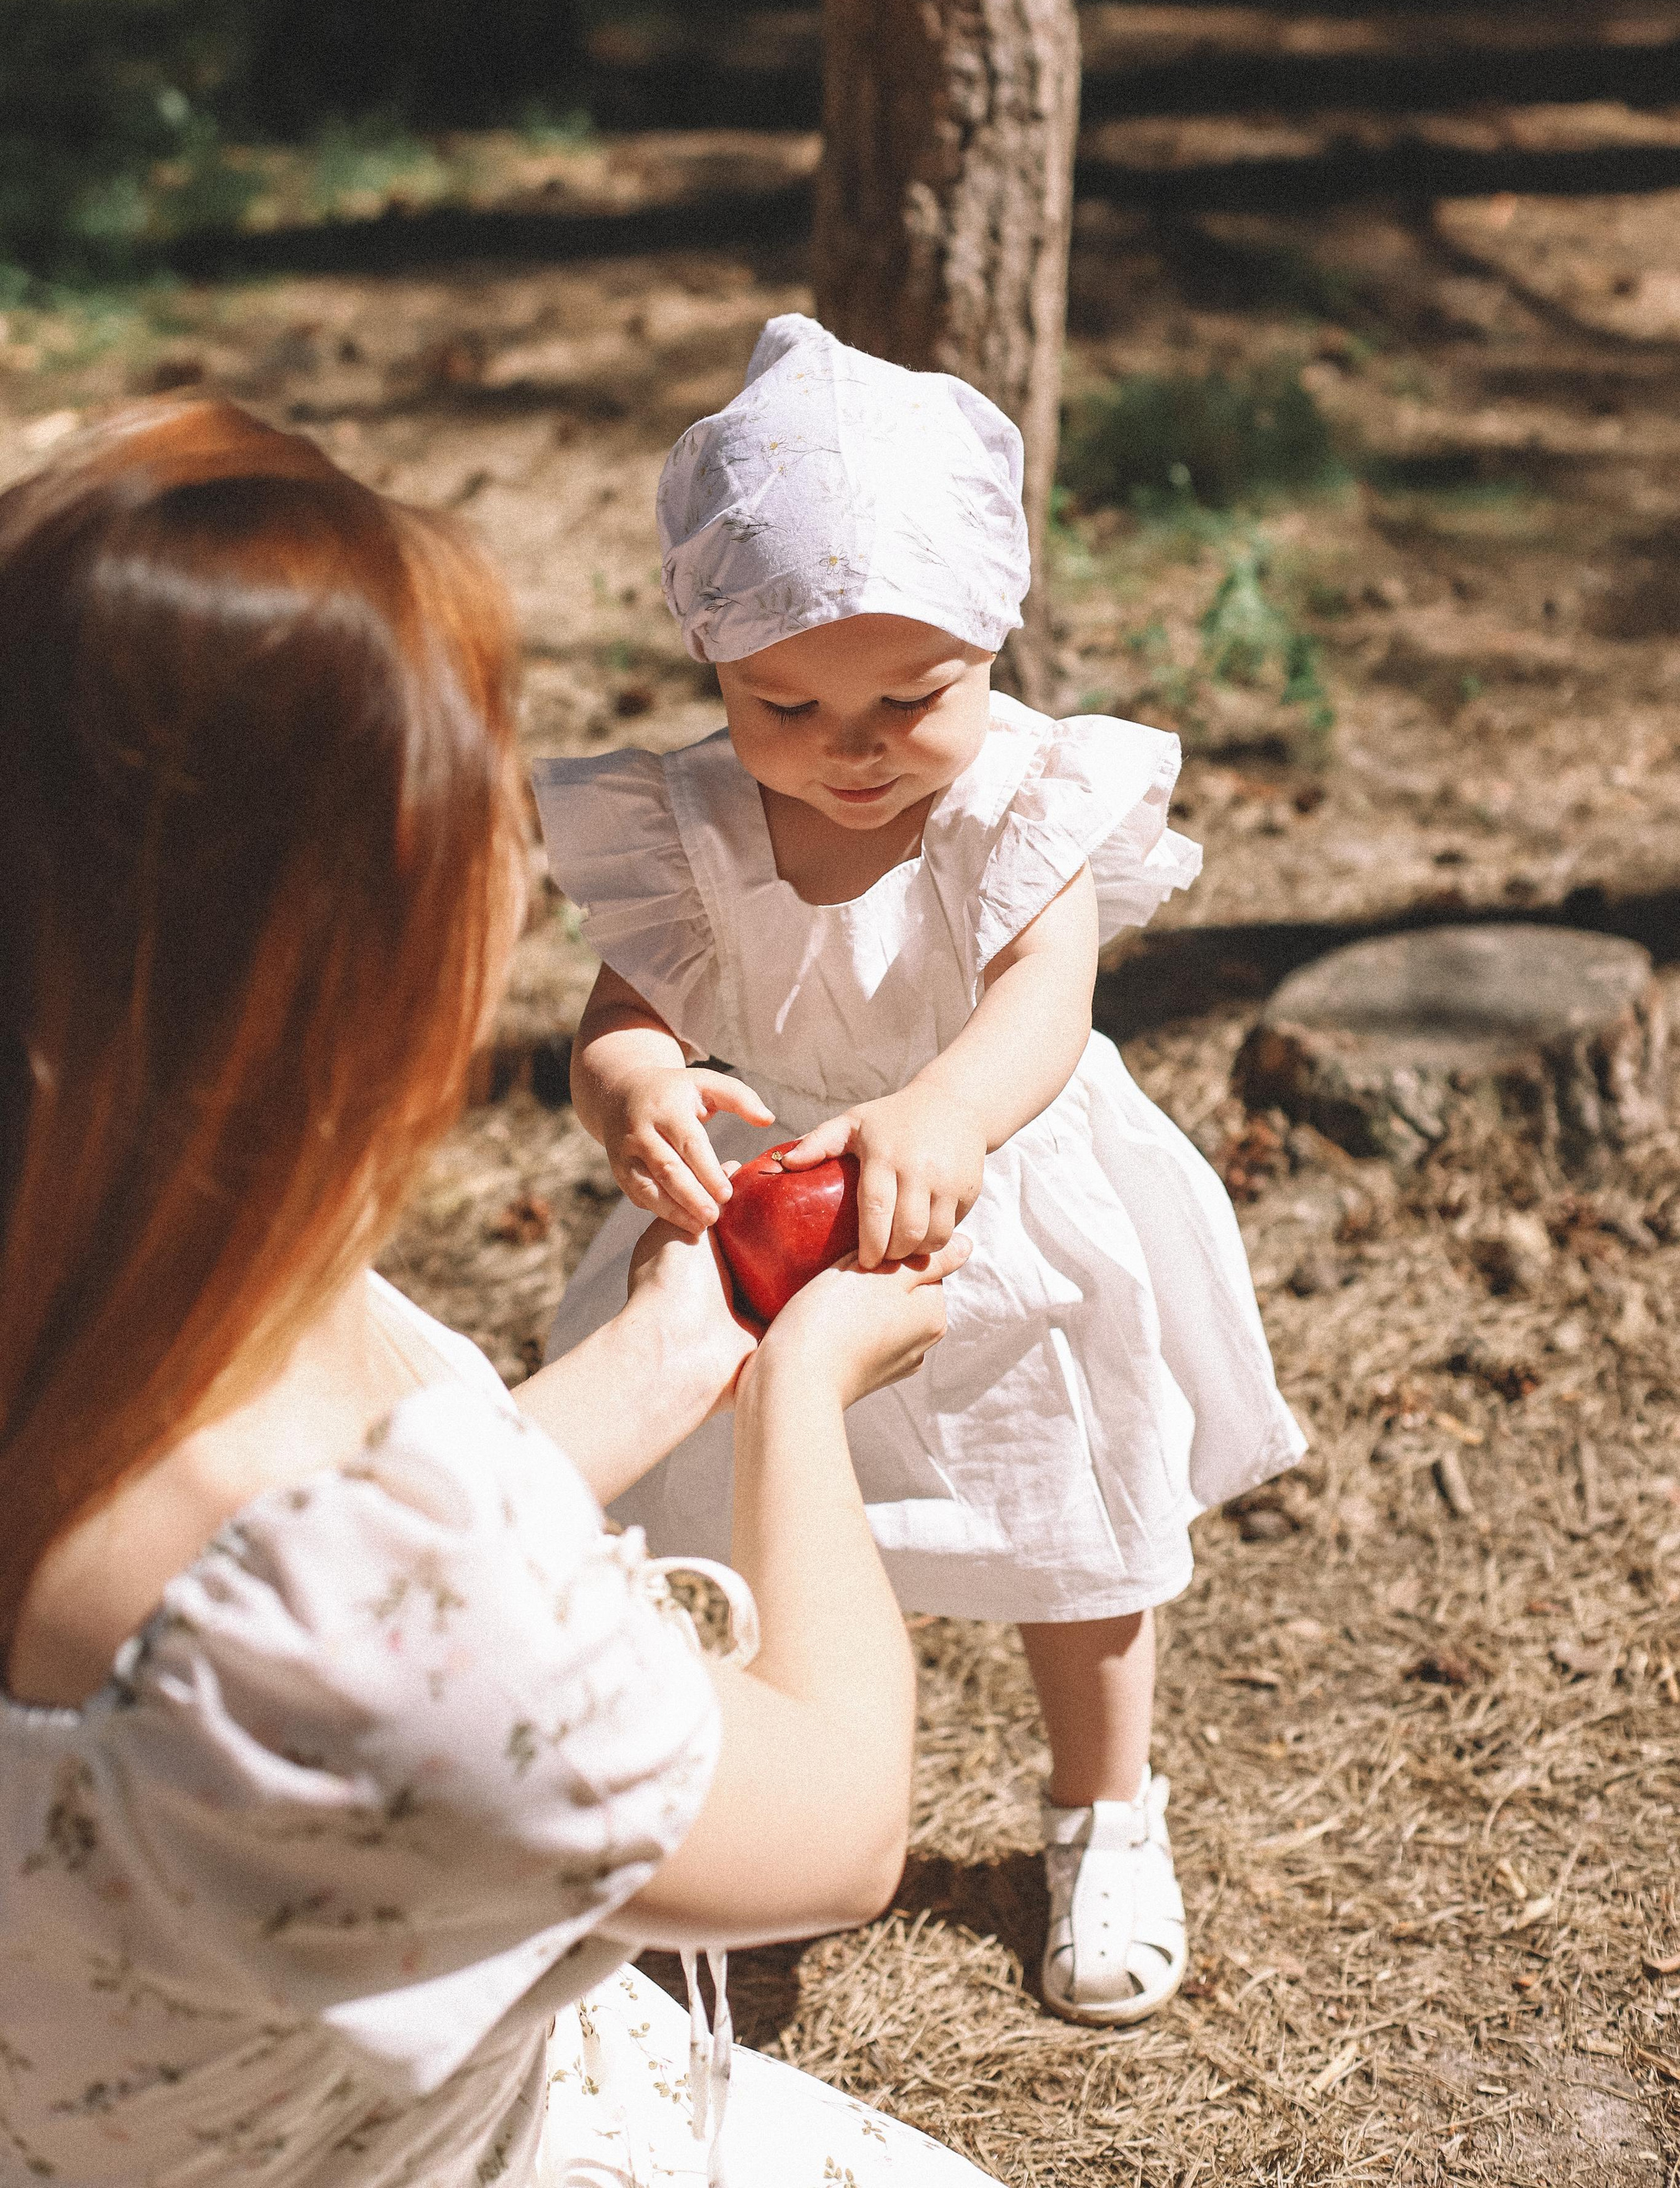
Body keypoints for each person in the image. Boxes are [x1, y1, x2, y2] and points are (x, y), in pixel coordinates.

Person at [0, 398, 998, 2187]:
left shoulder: (121, 1269)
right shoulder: (350, 1644)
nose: (526, 872)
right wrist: (803, 1400)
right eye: (485, 804)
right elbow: (841, 1826)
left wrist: (679, 1339)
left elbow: (355, 1533)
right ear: (351, 943)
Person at [537, 315, 1307, 2031]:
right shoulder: (687, 825)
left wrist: (946, 1113)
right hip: (752, 1231)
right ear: (712, 664)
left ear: (990, 636)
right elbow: (620, 1011)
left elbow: (1044, 1002)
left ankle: (1105, 1809)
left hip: (991, 1197)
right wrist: (635, 1084)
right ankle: (722, 1798)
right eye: (783, 703)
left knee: (1072, 1524)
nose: (852, 744)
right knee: (703, 1525)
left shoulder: (1025, 800)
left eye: (911, 696)